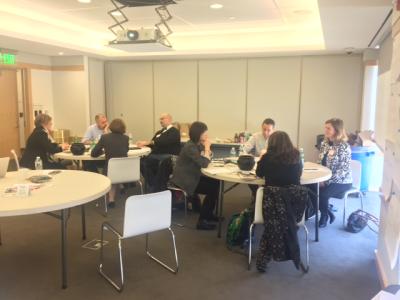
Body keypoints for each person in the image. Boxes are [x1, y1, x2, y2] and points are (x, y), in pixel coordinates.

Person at [255, 131, 304, 273]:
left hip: (273, 202)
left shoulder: (268, 157)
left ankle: (263, 259)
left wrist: (262, 157)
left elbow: (259, 173)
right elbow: (298, 174)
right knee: (279, 223)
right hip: (293, 205)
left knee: (273, 225)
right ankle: (284, 249)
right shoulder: (296, 156)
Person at [170, 122, 220, 230]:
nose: (207, 135)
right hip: (184, 180)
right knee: (212, 189)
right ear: (198, 134)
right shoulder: (190, 147)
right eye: (205, 133)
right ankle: (202, 221)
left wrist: (207, 150)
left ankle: (208, 214)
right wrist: (207, 148)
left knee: (216, 182)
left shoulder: (196, 144)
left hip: (192, 176)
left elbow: (206, 158)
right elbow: (204, 163)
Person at [311, 118, 352, 228]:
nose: (325, 130)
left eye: (328, 128)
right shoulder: (324, 143)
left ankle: (324, 216)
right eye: (325, 127)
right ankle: (329, 212)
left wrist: (326, 180)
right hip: (325, 178)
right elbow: (320, 163)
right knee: (309, 188)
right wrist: (319, 178)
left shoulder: (344, 146)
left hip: (342, 181)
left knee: (323, 195)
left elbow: (343, 169)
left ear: (337, 130)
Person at [91, 118, 129, 208]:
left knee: (111, 171)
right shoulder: (126, 138)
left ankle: (111, 199)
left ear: (110, 127)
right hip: (124, 169)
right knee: (117, 170)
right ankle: (121, 184)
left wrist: (103, 151)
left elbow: (94, 153)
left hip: (110, 170)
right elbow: (126, 150)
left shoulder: (105, 137)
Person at [138, 113, 181, 190]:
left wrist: (150, 142)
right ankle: (154, 184)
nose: (160, 121)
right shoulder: (159, 132)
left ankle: (155, 186)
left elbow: (165, 141)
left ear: (169, 119)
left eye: (162, 118)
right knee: (141, 161)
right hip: (157, 155)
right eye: (160, 119)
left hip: (169, 156)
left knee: (147, 161)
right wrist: (144, 145)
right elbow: (153, 143)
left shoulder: (174, 131)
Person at [244, 118, 275, 198]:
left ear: (273, 130)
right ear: (261, 127)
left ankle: (265, 197)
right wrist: (248, 156)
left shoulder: (276, 138)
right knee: (249, 177)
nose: (266, 132)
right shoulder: (255, 136)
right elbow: (244, 149)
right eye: (264, 129)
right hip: (258, 164)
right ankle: (255, 195)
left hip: (272, 165)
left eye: (269, 130)